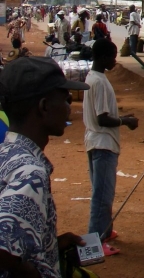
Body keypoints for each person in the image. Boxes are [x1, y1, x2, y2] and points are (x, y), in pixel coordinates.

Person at [0, 57, 89, 277]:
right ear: (44, 107)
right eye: (65, 99)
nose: (69, 107)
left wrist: (50, 246)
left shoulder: (6, 154)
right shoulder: (31, 172)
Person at [84, 39, 139, 256]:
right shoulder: (99, 82)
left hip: (94, 142)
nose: (115, 60)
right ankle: (95, 240)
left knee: (103, 191)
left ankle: (104, 230)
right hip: (102, 144)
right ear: (103, 57)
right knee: (102, 194)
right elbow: (103, 119)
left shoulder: (94, 78)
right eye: (113, 56)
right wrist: (126, 121)